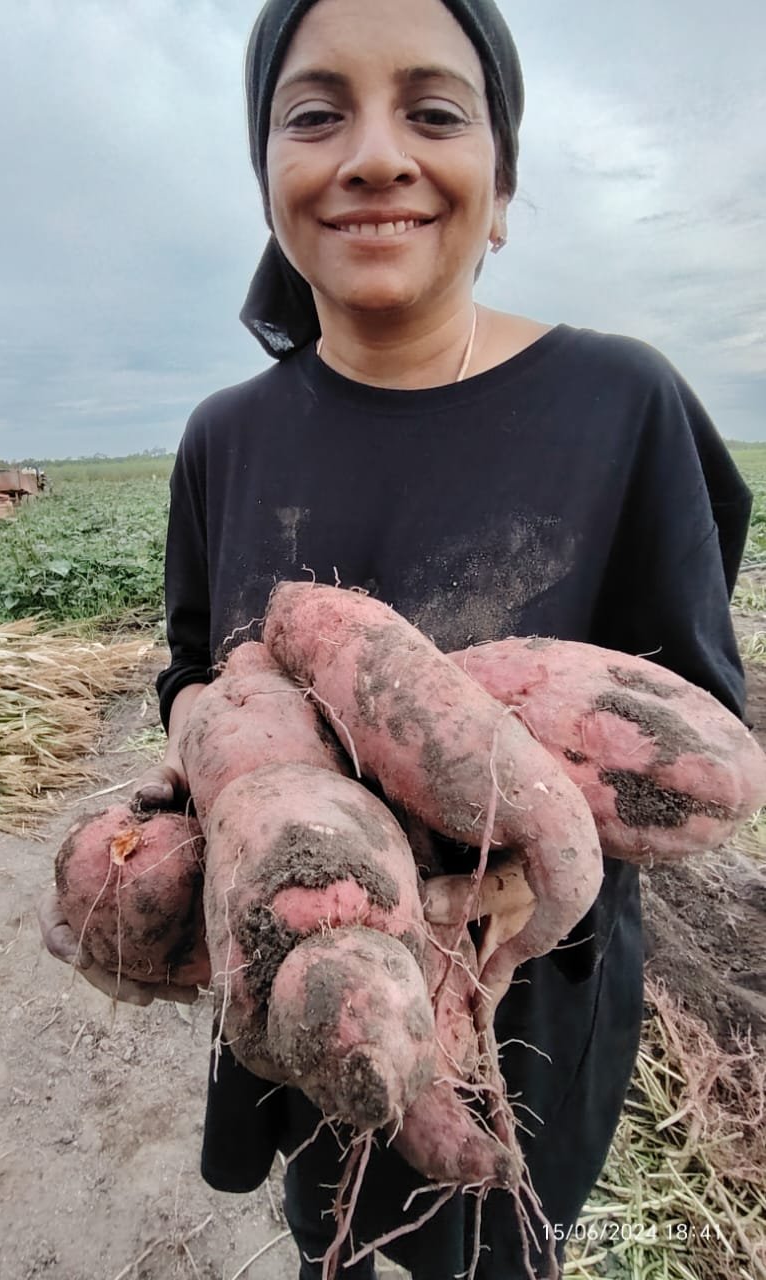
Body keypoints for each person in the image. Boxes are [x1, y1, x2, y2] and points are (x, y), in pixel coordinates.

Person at [40, 0, 752, 1275]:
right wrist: (188, 809)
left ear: (502, 179)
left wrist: (504, 874)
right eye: (314, 114)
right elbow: (191, 668)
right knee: (328, 1200)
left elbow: (693, 719)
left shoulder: (621, 400)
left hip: (530, 999)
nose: (373, 154)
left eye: (432, 111)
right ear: (266, 173)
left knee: (489, 1235)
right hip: (299, 939)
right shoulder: (222, 435)